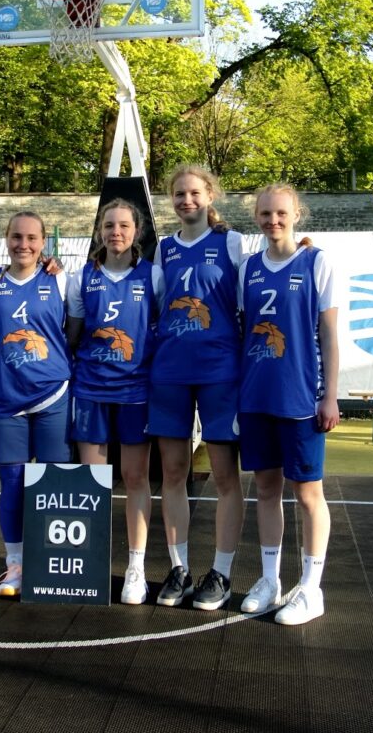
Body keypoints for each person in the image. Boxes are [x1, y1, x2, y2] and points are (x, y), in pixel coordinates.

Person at [237, 183, 338, 625]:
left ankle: (311, 588)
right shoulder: (248, 268)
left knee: (308, 492)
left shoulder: (317, 262)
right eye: (265, 213)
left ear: (297, 214)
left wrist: (330, 395)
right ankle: (269, 580)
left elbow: (329, 335)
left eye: (281, 213)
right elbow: (244, 330)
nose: (273, 220)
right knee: (265, 489)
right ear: (256, 217)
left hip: (301, 398)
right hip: (256, 395)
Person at [150, 164, 245, 610]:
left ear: (210, 196)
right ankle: (179, 568)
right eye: (178, 194)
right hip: (170, 370)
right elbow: (154, 305)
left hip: (219, 371)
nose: (186, 200)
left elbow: (251, 299)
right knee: (173, 473)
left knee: (225, 476)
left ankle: (221, 573)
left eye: (194, 193)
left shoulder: (232, 243)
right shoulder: (163, 248)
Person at [66, 199, 164, 604]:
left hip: (136, 391)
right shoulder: (80, 278)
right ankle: (90, 563)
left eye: (124, 225)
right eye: (109, 225)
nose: (116, 232)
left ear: (136, 231)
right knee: (93, 480)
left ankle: (136, 568)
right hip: (91, 389)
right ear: (99, 231)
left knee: (136, 478)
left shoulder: (153, 275)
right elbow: (72, 336)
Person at [0, 211, 70, 598]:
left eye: (32, 238)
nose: (24, 245)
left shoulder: (59, 279)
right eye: (17, 237)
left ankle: (50, 560)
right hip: (6, 398)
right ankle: (15, 564)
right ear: (6, 238)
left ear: (43, 242)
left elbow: (72, 331)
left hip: (52, 394)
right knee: (13, 484)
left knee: (53, 483)